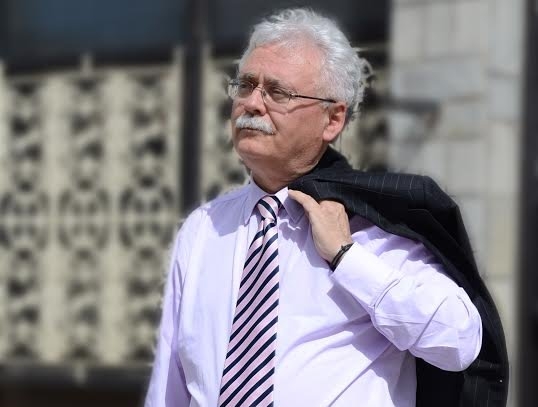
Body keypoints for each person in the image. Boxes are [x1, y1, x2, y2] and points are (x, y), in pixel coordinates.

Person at [145, 8, 508, 407]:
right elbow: (169, 387)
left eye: (277, 92)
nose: (251, 103)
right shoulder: (203, 229)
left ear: (332, 120)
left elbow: (459, 341)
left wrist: (348, 258)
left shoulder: (377, 227)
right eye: (245, 85)